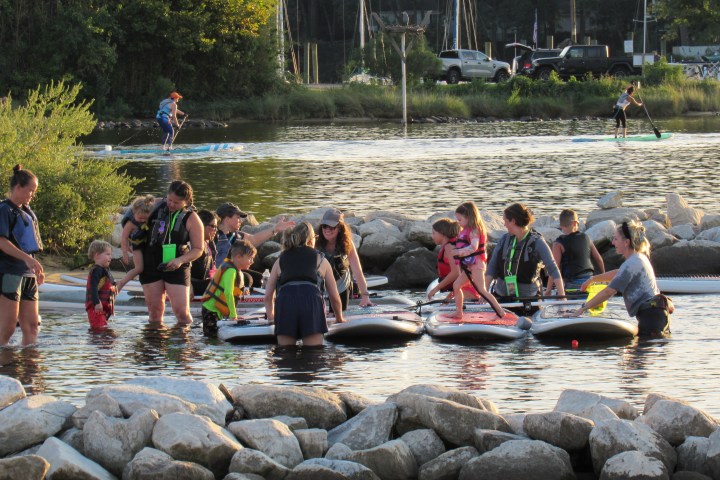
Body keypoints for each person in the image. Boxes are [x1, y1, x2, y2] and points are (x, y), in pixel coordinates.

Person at [575, 220, 671, 336]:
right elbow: (619, 273)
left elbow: (608, 292)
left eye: (616, 239)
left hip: (651, 318)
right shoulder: (638, 258)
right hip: (657, 315)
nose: (612, 242)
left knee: (644, 352)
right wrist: (593, 279)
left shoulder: (631, 263)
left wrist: (582, 309)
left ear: (626, 242)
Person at [264, 221, 344, 347]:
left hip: (286, 302)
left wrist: (271, 318)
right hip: (311, 302)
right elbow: (334, 296)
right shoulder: (321, 260)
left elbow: (268, 296)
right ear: (311, 240)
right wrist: (339, 318)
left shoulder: (280, 260)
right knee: (314, 354)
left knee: (285, 354)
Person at [139, 180, 203, 326]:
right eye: (170, 200)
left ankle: (184, 345)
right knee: (155, 312)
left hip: (176, 266)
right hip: (151, 263)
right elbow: (131, 219)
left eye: (177, 202)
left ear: (186, 202)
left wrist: (180, 260)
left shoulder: (192, 218)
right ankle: (154, 346)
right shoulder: (155, 205)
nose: (171, 204)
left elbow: (198, 249)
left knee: (182, 312)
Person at [485, 203, 565, 304]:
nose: (504, 224)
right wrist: (484, 294)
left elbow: (553, 268)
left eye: (505, 221)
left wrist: (561, 295)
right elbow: (492, 267)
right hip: (502, 296)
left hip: (527, 299)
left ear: (513, 221)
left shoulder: (537, 242)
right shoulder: (504, 239)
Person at [0, 165, 44, 346]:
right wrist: (26, 259)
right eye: (30, 191)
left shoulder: (25, 212)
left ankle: (28, 368)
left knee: (32, 326)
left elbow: (28, 244)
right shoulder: (4, 210)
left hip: (28, 274)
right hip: (10, 272)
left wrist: (35, 265)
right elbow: (2, 241)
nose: (32, 195)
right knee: (8, 327)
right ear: (18, 187)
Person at [450, 201, 505, 319]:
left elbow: (474, 247)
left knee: (482, 290)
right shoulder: (466, 230)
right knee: (456, 285)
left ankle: (500, 312)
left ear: (468, 217)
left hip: (477, 265)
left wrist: (459, 252)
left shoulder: (475, 230)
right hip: (470, 265)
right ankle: (459, 311)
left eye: (460, 220)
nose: (459, 223)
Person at [316, 208, 373, 311]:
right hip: (320, 286)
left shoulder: (346, 244)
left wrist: (365, 295)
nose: (327, 230)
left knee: (339, 313)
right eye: (325, 226)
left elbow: (357, 270)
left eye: (332, 227)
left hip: (341, 285)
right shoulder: (315, 242)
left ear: (340, 228)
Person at [200, 239, 256, 336]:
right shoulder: (231, 271)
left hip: (216, 311)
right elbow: (228, 293)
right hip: (211, 310)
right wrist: (233, 316)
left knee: (215, 336)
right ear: (238, 257)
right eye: (250, 258)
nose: (252, 262)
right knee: (211, 337)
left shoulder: (236, 271)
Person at [214, 202, 295, 268]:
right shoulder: (212, 235)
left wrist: (275, 229)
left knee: (256, 278)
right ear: (227, 219)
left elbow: (254, 239)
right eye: (238, 217)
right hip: (214, 275)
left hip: (226, 272)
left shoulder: (234, 235)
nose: (241, 221)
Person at [545, 209, 605, 294]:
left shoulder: (558, 243)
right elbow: (598, 259)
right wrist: (603, 278)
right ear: (575, 223)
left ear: (561, 225)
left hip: (573, 284)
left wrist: (548, 289)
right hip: (590, 281)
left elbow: (555, 267)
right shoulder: (586, 237)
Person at [116, 195, 156, 292]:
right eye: (140, 218)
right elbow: (124, 238)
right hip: (137, 246)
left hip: (147, 245)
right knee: (139, 268)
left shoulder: (148, 217)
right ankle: (121, 283)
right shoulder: (130, 223)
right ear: (134, 213)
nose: (143, 221)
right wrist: (124, 254)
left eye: (145, 219)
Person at [427, 217, 462, 300]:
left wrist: (435, 289)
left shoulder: (449, 248)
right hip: (452, 288)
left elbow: (456, 273)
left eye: (434, 233)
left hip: (457, 289)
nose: (432, 236)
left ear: (442, 233)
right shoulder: (448, 246)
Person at [85, 240, 116, 330]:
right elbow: (93, 288)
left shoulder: (104, 270)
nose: (110, 257)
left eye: (110, 254)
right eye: (107, 254)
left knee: (104, 331)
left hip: (103, 309)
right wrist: (97, 303)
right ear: (97, 255)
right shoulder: (96, 271)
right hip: (96, 308)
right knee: (99, 330)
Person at [190, 209, 219, 297]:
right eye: (213, 226)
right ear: (201, 226)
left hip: (204, 282)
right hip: (192, 284)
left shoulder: (209, 243)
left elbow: (212, 270)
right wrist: (189, 286)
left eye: (216, 227)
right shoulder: (191, 244)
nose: (215, 230)